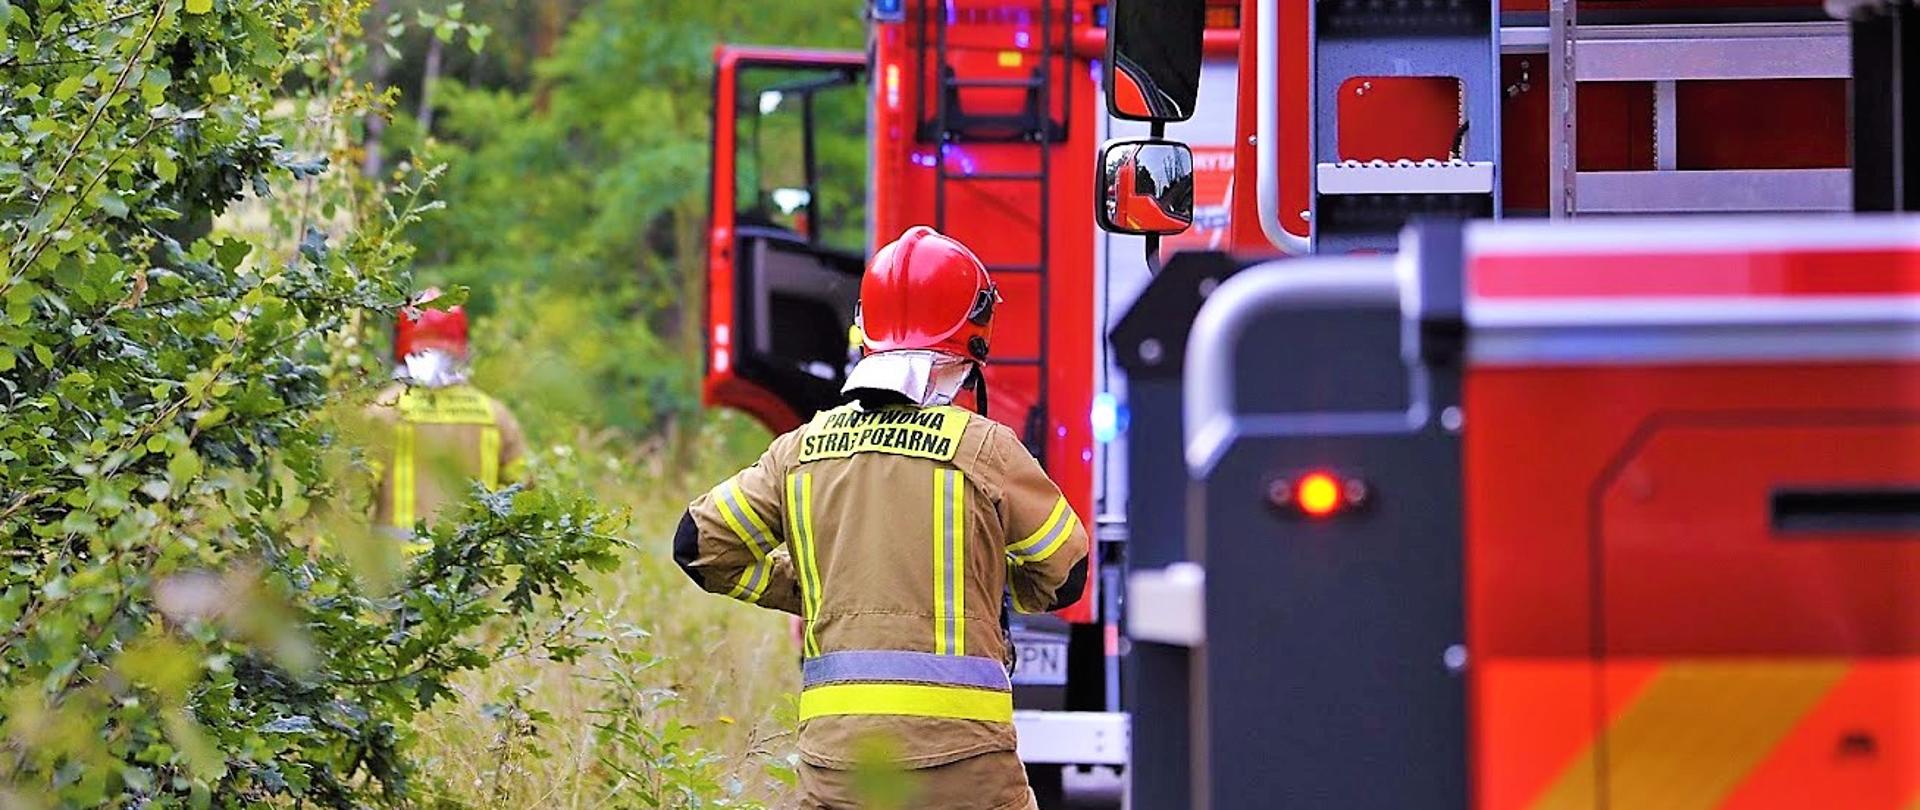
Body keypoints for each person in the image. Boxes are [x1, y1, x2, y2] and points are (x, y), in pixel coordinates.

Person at [675, 227, 1090, 809]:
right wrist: (982, 584)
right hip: (964, 762)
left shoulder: (800, 450)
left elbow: (698, 546)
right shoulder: (984, 449)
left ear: (866, 333)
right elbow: (1066, 572)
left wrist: (807, 589)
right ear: (972, 342)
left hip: (838, 765)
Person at [366, 291, 528, 537]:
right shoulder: (495, 415)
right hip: (470, 569)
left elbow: (352, 490)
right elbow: (524, 491)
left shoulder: (383, 412)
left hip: (393, 567)